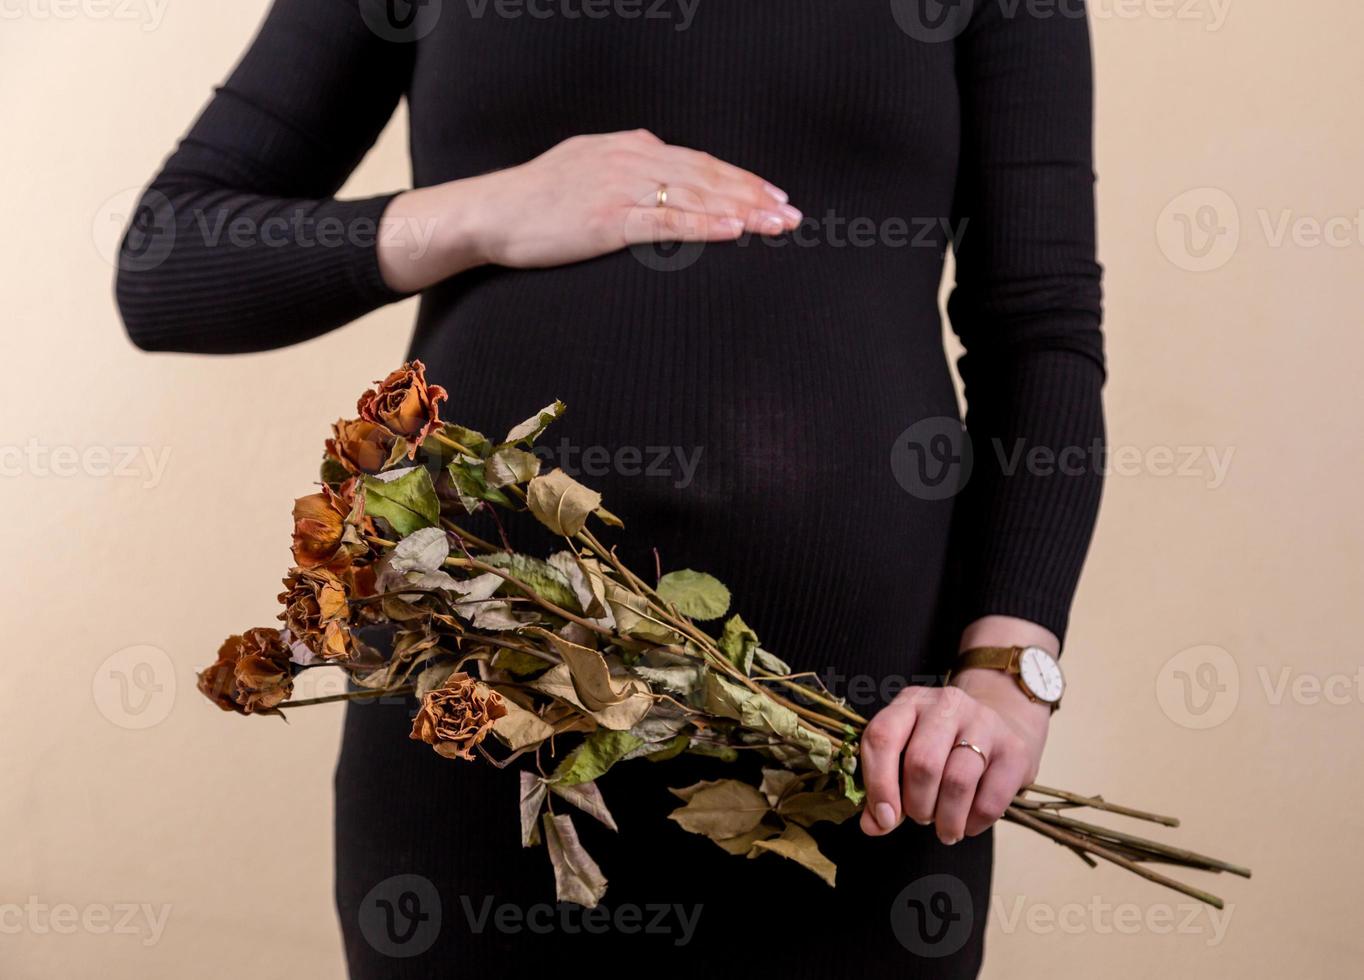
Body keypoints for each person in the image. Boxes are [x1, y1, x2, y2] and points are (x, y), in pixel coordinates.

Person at [116, 1, 1105, 974]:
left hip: (861, 755)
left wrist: (1007, 676)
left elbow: (1038, 331)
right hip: (477, 727)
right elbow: (167, 260)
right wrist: (487, 210)